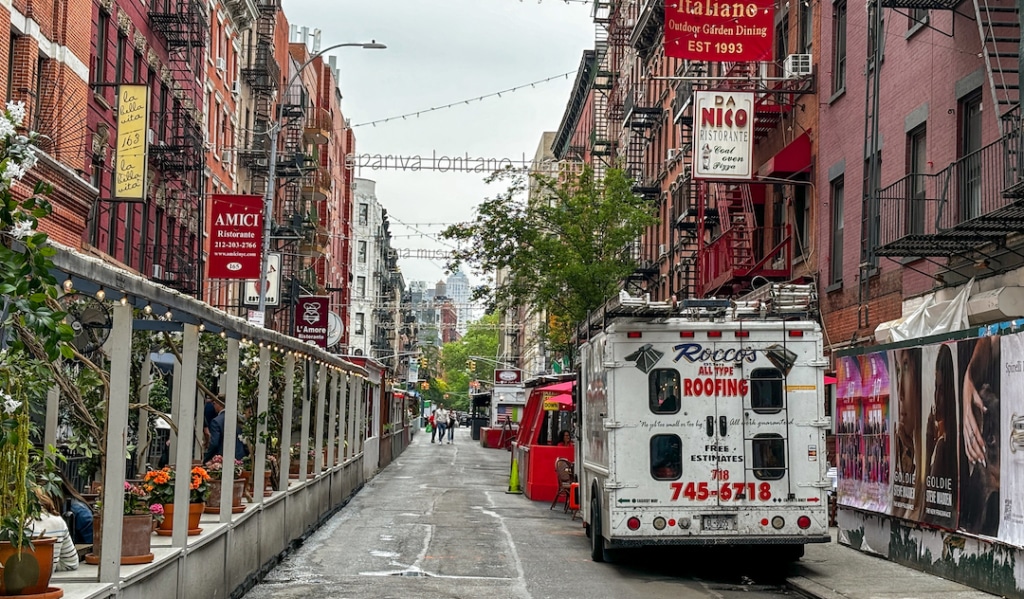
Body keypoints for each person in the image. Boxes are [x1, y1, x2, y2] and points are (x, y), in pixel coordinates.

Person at [29, 486, 78, 572]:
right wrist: (49, 567)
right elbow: (71, 563)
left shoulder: (11, 524)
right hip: (46, 581)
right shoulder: (58, 522)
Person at [204, 399, 250, 463]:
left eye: (214, 403)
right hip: (241, 458)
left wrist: (206, 458)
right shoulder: (240, 419)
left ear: (219, 404)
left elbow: (214, 443)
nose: (213, 405)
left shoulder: (216, 421)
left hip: (223, 459)